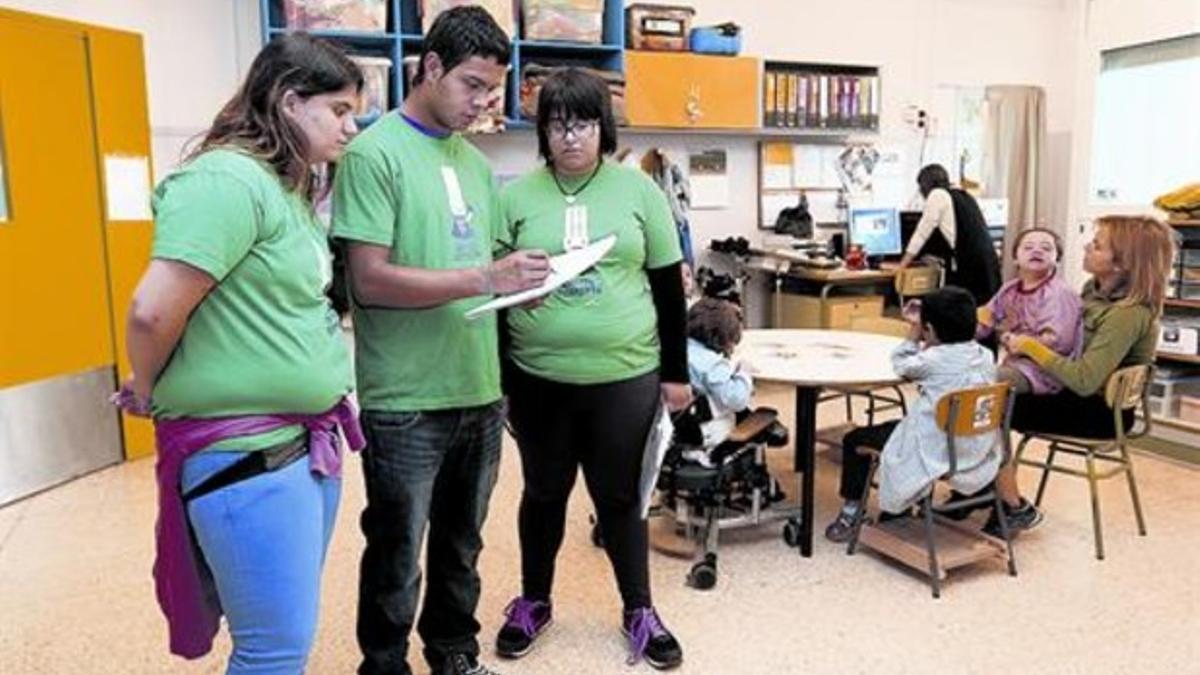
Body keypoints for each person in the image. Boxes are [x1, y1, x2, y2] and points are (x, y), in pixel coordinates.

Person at [114, 34, 365, 673]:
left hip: (296, 447)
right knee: (272, 652)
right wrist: (146, 387)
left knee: (282, 639)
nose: (351, 126)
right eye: (338, 109)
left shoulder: (285, 190)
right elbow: (152, 310)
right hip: (246, 456)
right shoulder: (226, 180)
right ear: (288, 101)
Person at [331, 8, 551, 675]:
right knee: (398, 548)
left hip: (477, 388)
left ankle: (454, 653)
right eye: (474, 86)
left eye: (493, 89)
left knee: (463, 545)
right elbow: (368, 281)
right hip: (405, 396)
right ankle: (385, 662)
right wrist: (486, 274)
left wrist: (517, 287)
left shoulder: (477, 164)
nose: (485, 103)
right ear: (429, 68)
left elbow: (476, 278)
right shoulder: (373, 154)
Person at [493, 68, 689, 670]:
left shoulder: (639, 193)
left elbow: (666, 290)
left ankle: (639, 609)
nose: (569, 136)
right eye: (556, 124)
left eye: (581, 123)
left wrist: (676, 375)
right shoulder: (516, 197)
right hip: (537, 377)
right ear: (542, 132)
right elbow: (497, 298)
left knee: (620, 497)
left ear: (602, 127)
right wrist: (500, 377)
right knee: (543, 492)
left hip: (624, 376)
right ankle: (534, 601)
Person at [985, 215, 1176, 535]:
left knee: (988, 404)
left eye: (1097, 245)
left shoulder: (1127, 314)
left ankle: (1012, 505)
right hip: (1073, 394)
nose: (1087, 245)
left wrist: (1032, 347)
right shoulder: (1091, 291)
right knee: (987, 395)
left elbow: (1085, 380)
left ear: (1122, 263)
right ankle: (985, 487)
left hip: (1098, 412)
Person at [825, 287, 1000, 543]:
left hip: (938, 448)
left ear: (929, 330)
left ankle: (853, 513)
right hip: (974, 445)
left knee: (854, 439)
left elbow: (900, 363)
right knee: (903, 426)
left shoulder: (932, 359)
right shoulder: (986, 355)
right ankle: (906, 504)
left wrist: (913, 332)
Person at [977, 227, 1083, 394]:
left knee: (975, 379)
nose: (1037, 251)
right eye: (1028, 247)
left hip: (1046, 374)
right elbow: (985, 319)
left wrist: (1019, 342)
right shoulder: (1009, 289)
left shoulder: (1059, 293)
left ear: (1057, 259)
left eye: (1046, 248)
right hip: (1016, 364)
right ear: (1015, 259)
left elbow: (1060, 343)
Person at [897, 163, 1002, 306]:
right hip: (988, 263)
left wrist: (902, 265)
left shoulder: (937, 195)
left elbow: (921, 234)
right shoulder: (964, 195)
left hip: (970, 266)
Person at [682, 298, 754, 465]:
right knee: (748, 413)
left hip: (677, 428)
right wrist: (744, 373)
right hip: (708, 430)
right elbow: (737, 400)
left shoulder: (679, 351)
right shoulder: (712, 364)